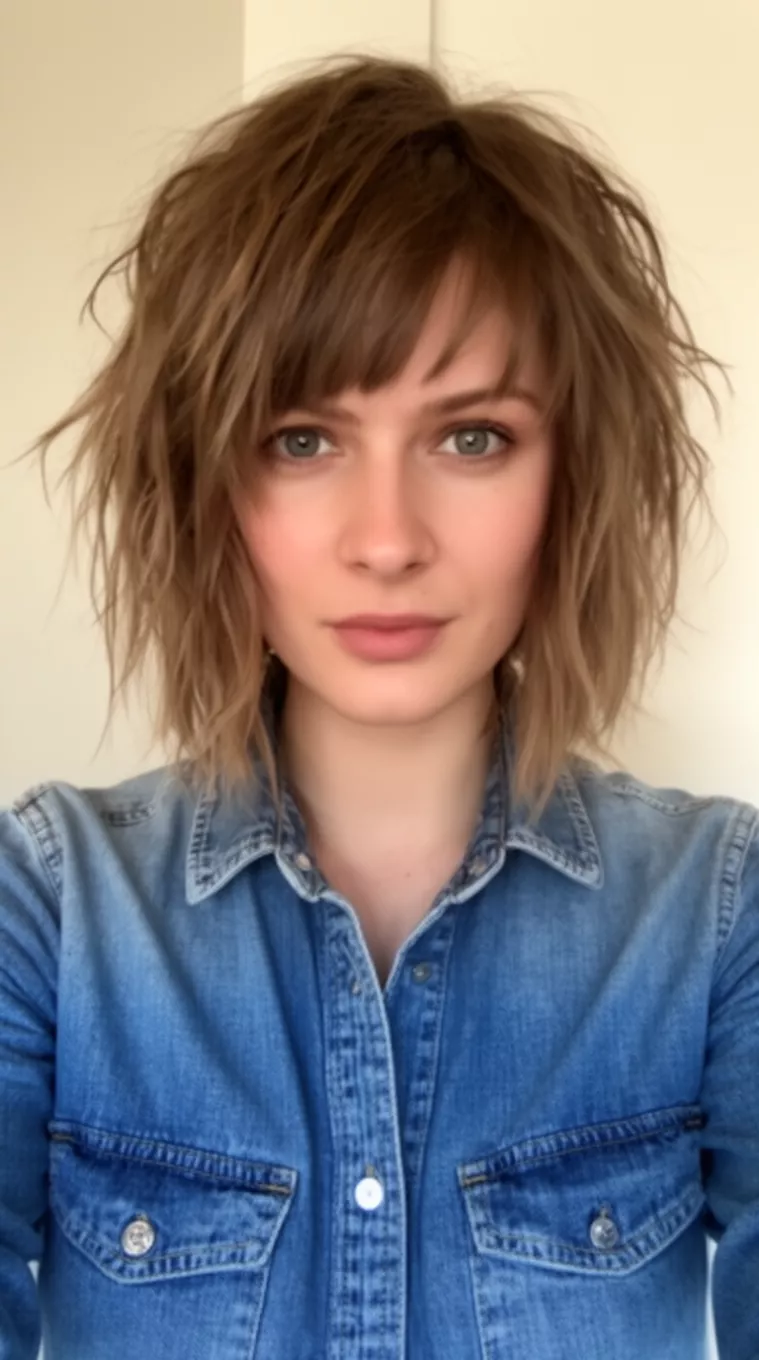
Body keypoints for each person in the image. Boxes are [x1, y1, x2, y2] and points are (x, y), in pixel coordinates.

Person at [1, 50, 756, 1360]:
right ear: (206, 485)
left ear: (570, 474)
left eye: (472, 437)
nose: (387, 538)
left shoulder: (714, 917)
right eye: (300, 440)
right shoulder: (51, 913)